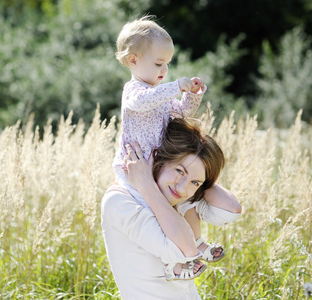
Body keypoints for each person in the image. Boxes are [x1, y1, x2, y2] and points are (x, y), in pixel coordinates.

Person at [112, 15, 209, 279]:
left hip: (155, 168)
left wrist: (191, 95)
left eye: (167, 64)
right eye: (158, 63)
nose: (164, 70)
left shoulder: (161, 95)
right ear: (133, 60)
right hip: (134, 169)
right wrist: (175, 86)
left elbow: (181, 113)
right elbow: (143, 102)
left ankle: (194, 244)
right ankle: (172, 264)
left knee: (176, 208)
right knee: (154, 216)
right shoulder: (133, 91)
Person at [101, 118, 242, 299]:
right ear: (159, 158)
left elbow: (231, 210)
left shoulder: (176, 203)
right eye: (179, 171)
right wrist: (147, 185)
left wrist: (200, 175)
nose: (182, 188)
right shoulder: (119, 202)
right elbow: (186, 249)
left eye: (194, 183)